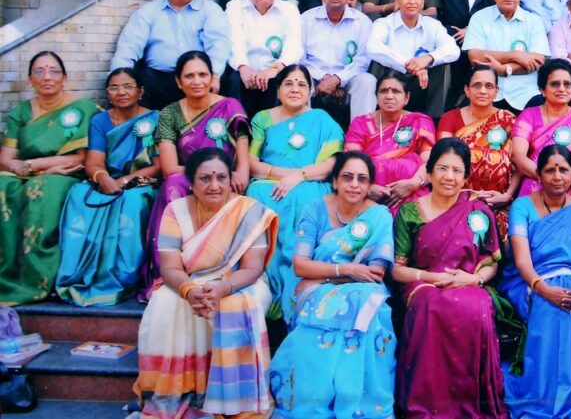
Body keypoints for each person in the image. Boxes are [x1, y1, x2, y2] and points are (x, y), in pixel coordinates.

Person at [134, 148, 278, 419]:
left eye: (221, 178)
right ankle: (188, 390)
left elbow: (252, 268)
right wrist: (190, 291)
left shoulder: (249, 211)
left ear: (231, 179)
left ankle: (237, 399)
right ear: (191, 182)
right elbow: (170, 267)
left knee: (236, 304)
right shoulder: (175, 210)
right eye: (205, 178)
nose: (214, 186)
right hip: (190, 282)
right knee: (164, 301)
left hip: (240, 282)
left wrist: (223, 288)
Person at [269, 151, 396, 419]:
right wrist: (346, 270)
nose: (354, 184)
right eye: (347, 177)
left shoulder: (379, 216)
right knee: (342, 302)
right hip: (313, 289)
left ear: (369, 185)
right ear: (335, 181)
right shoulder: (315, 208)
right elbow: (301, 265)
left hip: (355, 288)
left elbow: (375, 273)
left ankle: (359, 403)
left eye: (362, 179)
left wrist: (324, 275)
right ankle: (312, 400)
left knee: (367, 304)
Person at [501, 144, 571, 419]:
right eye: (549, 170)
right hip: (530, 282)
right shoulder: (522, 206)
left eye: (563, 170)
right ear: (538, 175)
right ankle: (545, 397)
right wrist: (544, 290)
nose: (557, 176)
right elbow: (522, 261)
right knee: (553, 309)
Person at [392, 139, 505, 418]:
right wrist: (430, 276)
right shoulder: (410, 211)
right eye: (442, 169)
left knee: (476, 306)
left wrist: (474, 280)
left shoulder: (477, 210)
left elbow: (491, 262)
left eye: (457, 171)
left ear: (466, 177)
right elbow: (397, 269)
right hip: (422, 283)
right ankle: (428, 403)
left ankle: (470, 402)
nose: (449, 177)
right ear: (429, 172)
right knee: (431, 305)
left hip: (468, 283)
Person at [147, 50, 251, 293]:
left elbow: (243, 158)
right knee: (173, 183)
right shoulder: (169, 113)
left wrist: (240, 174)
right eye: (189, 76)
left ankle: (216, 269)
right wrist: (206, 174)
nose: (197, 81)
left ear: (212, 77)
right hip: (188, 178)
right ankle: (169, 270)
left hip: (227, 178)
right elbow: (170, 168)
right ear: (178, 81)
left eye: (203, 75)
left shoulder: (230, 106)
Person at [0, 51, 99, 305]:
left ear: (64, 78)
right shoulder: (22, 111)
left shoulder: (82, 108)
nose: (47, 77)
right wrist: (26, 168)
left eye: (54, 71)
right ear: (30, 79)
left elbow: (79, 158)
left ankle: (38, 278)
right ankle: (6, 273)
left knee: (42, 188)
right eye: (39, 71)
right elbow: (6, 158)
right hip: (25, 173)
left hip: (65, 173)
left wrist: (34, 166)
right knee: (2, 185)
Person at [245, 64, 343, 320]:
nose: (295, 89)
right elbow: (251, 162)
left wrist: (299, 176)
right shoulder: (263, 118)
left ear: (310, 91)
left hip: (309, 181)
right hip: (268, 181)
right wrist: (284, 175)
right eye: (288, 83)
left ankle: (293, 289)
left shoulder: (321, 119)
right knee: (255, 195)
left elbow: (331, 164)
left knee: (307, 197)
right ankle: (263, 283)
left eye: (302, 84)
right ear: (278, 89)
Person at [56, 67, 158, 307]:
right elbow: (94, 162)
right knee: (78, 194)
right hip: (105, 181)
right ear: (108, 93)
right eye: (114, 87)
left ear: (141, 91)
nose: (121, 92)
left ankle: (123, 277)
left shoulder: (155, 118)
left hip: (140, 182)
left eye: (128, 86)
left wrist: (123, 182)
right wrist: (103, 178)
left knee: (132, 202)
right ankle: (77, 273)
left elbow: (158, 165)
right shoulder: (100, 121)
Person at [110, 0, 230, 110]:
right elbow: (128, 47)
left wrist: (214, 75)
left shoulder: (211, 10)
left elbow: (218, 45)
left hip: (197, 80)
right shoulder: (148, 12)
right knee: (135, 84)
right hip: (157, 80)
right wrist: (119, 81)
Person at [436, 65, 520, 240]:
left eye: (489, 86)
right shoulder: (450, 118)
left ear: (496, 91)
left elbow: (518, 164)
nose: (483, 91)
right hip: (455, 199)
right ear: (467, 90)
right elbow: (442, 161)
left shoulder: (509, 120)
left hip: (498, 202)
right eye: (477, 85)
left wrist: (507, 196)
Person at [511, 59, 571, 205]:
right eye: (555, 84)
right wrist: (547, 177)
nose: (562, 88)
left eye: (567, 84)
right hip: (536, 177)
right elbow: (518, 156)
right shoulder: (529, 115)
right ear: (542, 90)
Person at [366, 0, 460, 116]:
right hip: (392, 80)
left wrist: (428, 58)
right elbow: (373, 47)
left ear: (423, 2)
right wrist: (409, 65)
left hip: (421, 84)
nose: (412, 1)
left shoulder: (433, 25)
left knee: (442, 65)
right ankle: (378, 116)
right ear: (397, 1)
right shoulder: (383, 24)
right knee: (378, 61)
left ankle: (433, 119)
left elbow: (453, 50)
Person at [343, 71, 436, 212]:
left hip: (411, 192)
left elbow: (430, 162)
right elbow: (350, 162)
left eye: (396, 91)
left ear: (406, 98)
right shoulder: (361, 123)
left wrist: (413, 183)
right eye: (384, 91)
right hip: (367, 195)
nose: (389, 96)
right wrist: (367, 188)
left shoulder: (419, 122)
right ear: (376, 96)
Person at [465, 0, 550, 112]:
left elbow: (537, 61)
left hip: (526, 94)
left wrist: (504, 69)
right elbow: (475, 56)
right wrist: (514, 55)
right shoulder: (479, 18)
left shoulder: (534, 21)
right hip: (487, 93)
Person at [224, 0, 303, 115]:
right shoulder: (235, 6)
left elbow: (294, 47)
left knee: (284, 81)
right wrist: (243, 67)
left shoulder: (290, 10)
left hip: (276, 70)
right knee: (234, 80)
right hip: (244, 69)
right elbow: (234, 41)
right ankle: (239, 127)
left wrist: (274, 69)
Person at [300, 0, 377, 124]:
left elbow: (362, 61)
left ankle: (360, 133)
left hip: (348, 78)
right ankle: (303, 131)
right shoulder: (306, 19)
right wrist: (323, 77)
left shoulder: (362, 22)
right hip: (314, 77)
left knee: (367, 80)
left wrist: (338, 79)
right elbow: (299, 57)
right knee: (298, 77)